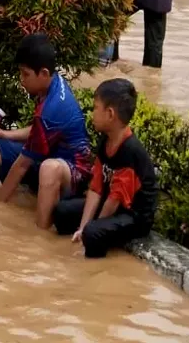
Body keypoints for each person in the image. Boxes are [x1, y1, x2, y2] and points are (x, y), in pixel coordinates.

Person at [0, 33, 94, 229]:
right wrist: (2, 134)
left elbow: (21, 166)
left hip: (71, 174)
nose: (22, 80)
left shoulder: (54, 107)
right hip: (45, 158)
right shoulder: (51, 84)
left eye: (25, 74)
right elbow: (38, 131)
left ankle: (41, 233)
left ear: (43, 73)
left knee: (48, 169)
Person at [54, 79, 158, 258]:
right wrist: (81, 227)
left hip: (134, 215)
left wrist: (88, 232)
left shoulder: (130, 151)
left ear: (110, 114)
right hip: (112, 204)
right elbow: (96, 188)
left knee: (93, 234)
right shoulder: (105, 140)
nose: (91, 113)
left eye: (95, 108)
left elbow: (114, 200)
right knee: (62, 212)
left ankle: (92, 266)